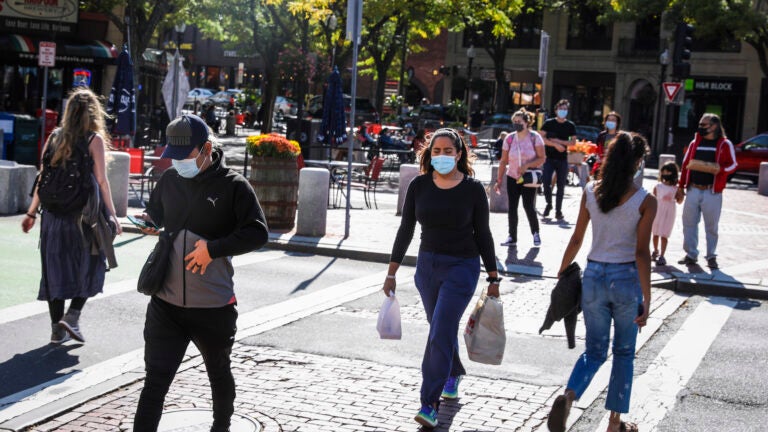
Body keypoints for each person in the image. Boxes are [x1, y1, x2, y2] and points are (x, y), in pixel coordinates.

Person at [132, 114, 269, 431]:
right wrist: (147, 221)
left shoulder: (234, 186)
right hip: (165, 304)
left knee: (218, 374)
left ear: (206, 148)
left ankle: (221, 426)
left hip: (213, 307)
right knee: (155, 381)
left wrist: (214, 249)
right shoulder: (169, 180)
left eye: (185, 156)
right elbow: (155, 215)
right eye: (173, 157)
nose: (178, 163)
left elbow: (258, 233)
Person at [383, 128, 500, 429]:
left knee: (440, 331)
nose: (443, 156)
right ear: (429, 153)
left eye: (449, 151)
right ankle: (454, 371)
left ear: (459, 154)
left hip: (462, 267)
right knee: (440, 328)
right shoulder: (419, 186)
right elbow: (406, 229)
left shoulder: (473, 189)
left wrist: (493, 275)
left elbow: (483, 233)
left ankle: (429, 403)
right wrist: (392, 271)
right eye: (437, 151)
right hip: (427, 268)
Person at [547, 132, 656, 432]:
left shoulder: (590, 191)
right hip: (625, 279)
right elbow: (642, 253)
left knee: (594, 350)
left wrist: (562, 272)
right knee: (623, 352)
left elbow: (577, 238)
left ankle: (569, 396)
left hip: (593, 276)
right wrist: (646, 299)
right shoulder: (646, 201)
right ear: (636, 163)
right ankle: (614, 423)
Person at [21, 87, 122, 344]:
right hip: (83, 217)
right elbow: (101, 180)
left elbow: (42, 176)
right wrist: (112, 214)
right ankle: (74, 314)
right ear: (93, 113)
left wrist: (31, 213)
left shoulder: (54, 137)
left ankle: (57, 329)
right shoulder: (93, 140)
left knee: (54, 270)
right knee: (93, 263)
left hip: (52, 216)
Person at [675, 113, 738, 270]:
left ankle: (711, 256)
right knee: (688, 223)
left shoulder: (724, 144)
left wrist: (720, 170)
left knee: (711, 226)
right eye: (700, 125)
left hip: (712, 191)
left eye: (704, 125)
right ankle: (691, 254)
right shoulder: (695, 143)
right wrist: (681, 186)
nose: (701, 128)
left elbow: (733, 165)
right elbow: (685, 165)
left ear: (714, 126)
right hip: (693, 189)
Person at [494, 108, 546, 247]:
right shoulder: (510, 139)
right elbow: (503, 161)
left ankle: (535, 233)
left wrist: (527, 165)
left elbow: (542, 158)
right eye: (514, 121)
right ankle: (512, 236)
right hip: (512, 176)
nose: (516, 124)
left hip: (528, 177)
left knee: (528, 206)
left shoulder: (535, 137)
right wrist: (498, 180)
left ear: (527, 122)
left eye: (519, 121)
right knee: (512, 207)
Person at [540, 99, 576, 220]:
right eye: (561, 109)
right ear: (556, 110)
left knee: (561, 186)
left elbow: (573, 142)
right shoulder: (549, 123)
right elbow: (540, 138)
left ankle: (558, 211)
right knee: (546, 182)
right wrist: (554, 145)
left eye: (565, 109)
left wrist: (559, 142)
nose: (563, 111)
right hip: (549, 158)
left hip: (562, 159)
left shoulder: (570, 126)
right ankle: (548, 204)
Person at [652, 161, 682, 266]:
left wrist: (680, 194)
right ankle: (655, 250)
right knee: (655, 232)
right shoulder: (658, 186)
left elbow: (679, 201)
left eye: (667, 172)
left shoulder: (675, 188)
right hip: (658, 210)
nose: (665, 173)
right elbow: (654, 197)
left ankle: (662, 255)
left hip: (669, 212)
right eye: (663, 171)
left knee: (664, 234)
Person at [591, 111, 621, 178]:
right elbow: (597, 149)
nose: (611, 122)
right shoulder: (602, 135)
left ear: (617, 123)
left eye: (613, 120)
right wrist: (598, 157)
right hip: (601, 166)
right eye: (609, 120)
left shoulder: (620, 137)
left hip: (615, 167)